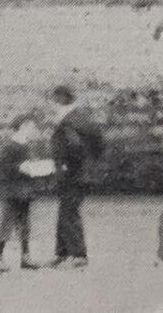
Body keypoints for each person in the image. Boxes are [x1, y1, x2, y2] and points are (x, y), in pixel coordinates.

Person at [48, 85, 105, 268]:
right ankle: (62, 253)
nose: (51, 105)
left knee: (69, 211)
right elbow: (99, 144)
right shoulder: (82, 118)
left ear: (59, 100)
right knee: (65, 209)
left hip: (72, 173)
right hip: (82, 172)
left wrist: (65, 165)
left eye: (53, 101)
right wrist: (91, 163)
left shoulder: (67, 121)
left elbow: (74, 147)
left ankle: (79, 255)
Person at [0, 116, 44, 273]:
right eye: (31, 127)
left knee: (25, 224)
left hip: (24, 190)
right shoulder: (9, 145)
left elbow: (27, 165)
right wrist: (19, 167)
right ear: (23, 126)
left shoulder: (26, 145)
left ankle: (25, 257)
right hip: (11, 191)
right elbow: (1, 169)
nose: (34, 130)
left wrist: (35, 167)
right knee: (7, 223)